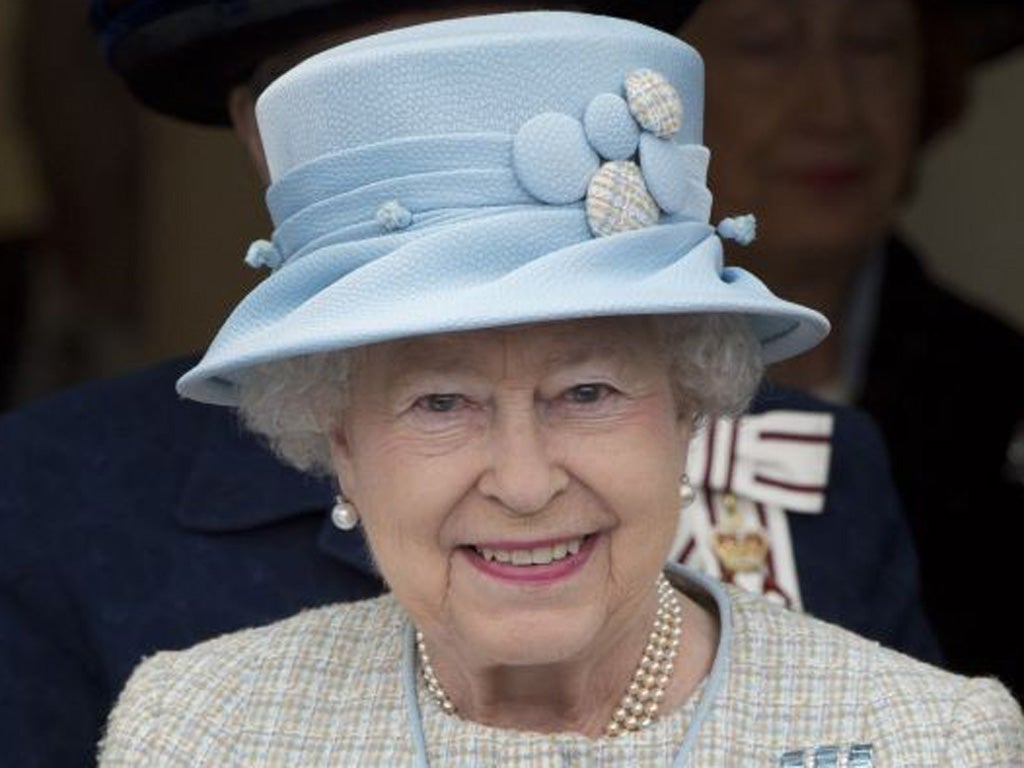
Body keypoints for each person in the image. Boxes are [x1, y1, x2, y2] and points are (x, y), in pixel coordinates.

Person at [0, 3, 936, 766]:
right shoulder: (176, 696)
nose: (523, 482)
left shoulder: (919, 717)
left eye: (590, 391)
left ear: (690, 405)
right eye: (439, 402)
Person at [679, 0, 1024, 696]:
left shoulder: (1003, 392)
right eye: (764, 45)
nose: (832, 109)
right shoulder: (557, 384)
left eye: (872, 44)